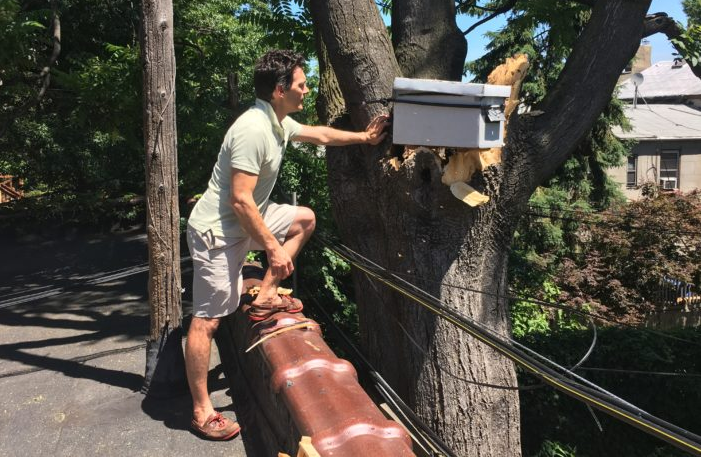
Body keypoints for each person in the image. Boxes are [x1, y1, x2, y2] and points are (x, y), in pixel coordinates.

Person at [185, 49, 389, 440]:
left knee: (304, 219)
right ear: (280, 90)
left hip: (245, 221)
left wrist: (365, 138)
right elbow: (240, 200)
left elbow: (321, 133)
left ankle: (264, 294)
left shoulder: (277, 120)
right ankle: (201, 409)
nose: (306, 89)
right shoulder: (253, 129)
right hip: (219, 233)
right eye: (301, 84)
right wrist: (272, 249)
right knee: (207, 321)